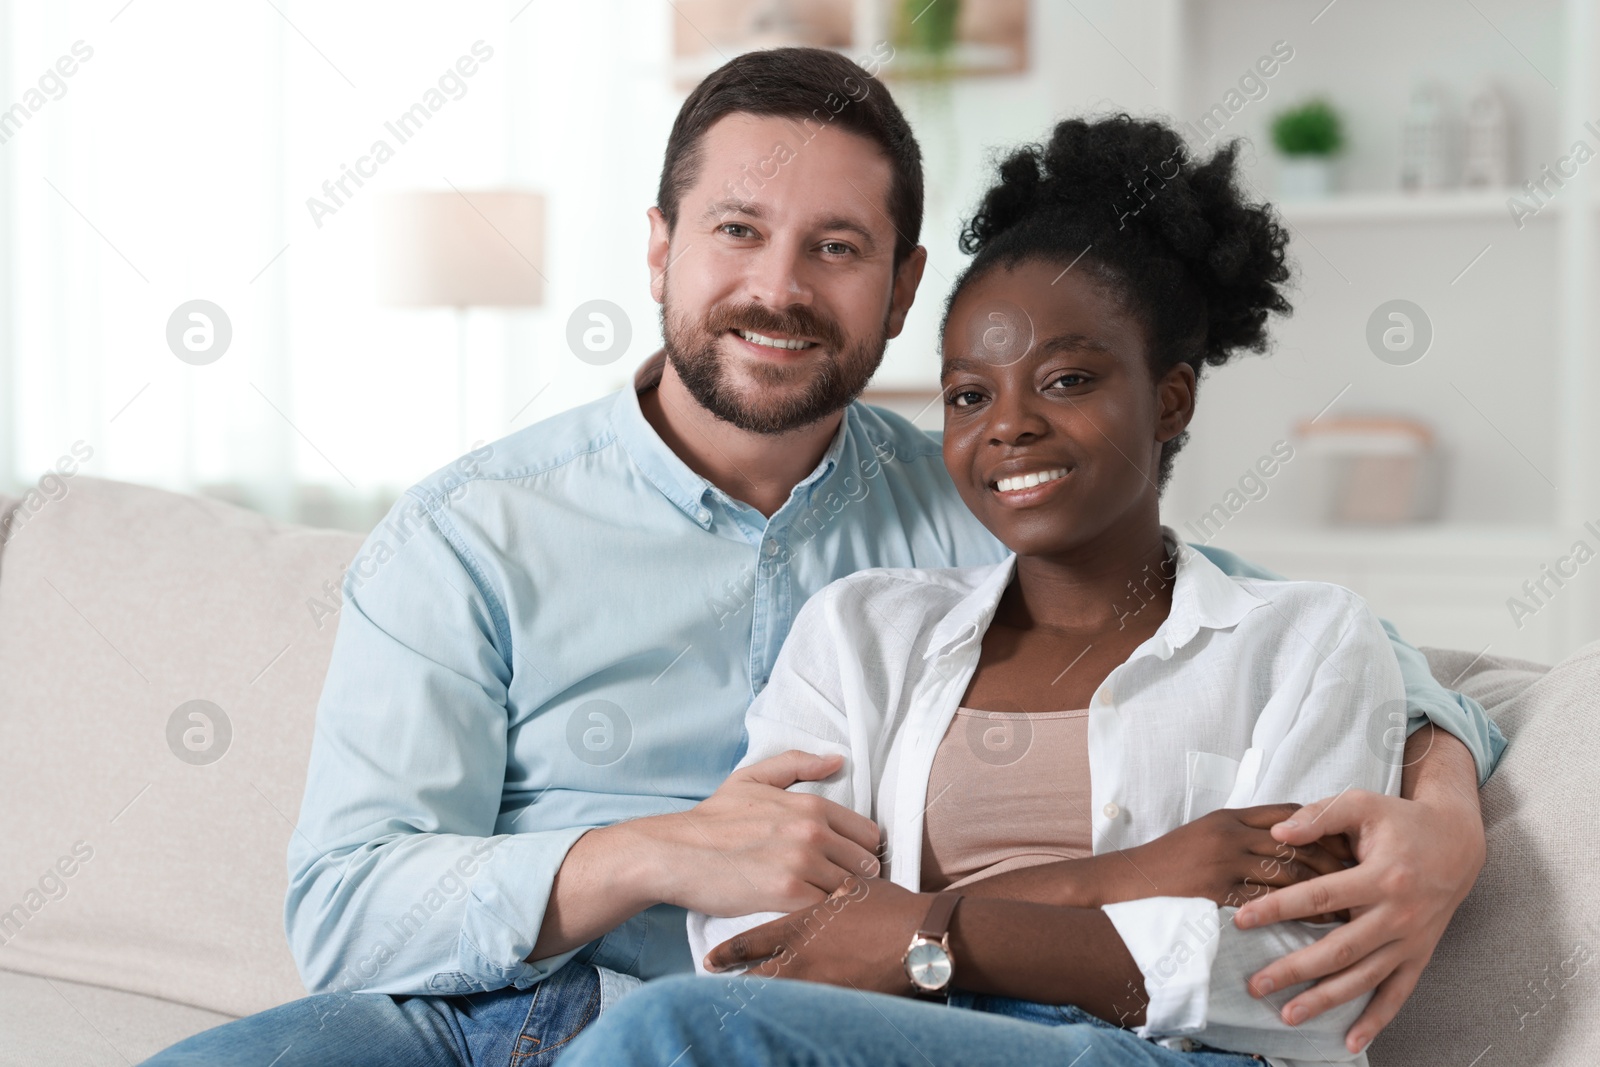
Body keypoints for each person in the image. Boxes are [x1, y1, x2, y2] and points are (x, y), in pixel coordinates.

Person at [142, 49, 1502, 1067]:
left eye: (835, 248)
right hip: (491, 1009)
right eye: (737, 231)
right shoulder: (471, 532)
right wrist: (647, 852)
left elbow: (1281, 629)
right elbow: (345, 907)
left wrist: (1440, 816)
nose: (778, 287)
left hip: (793, 1021)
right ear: (663, 249)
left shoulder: (977, 495)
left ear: (901, 288)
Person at [559, 113, 1432, 1067]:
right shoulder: (862, 631)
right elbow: (763, 944)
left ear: (1169, 398)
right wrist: (1130, 880)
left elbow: (1289, 976)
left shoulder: (1306, 639)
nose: (1008, 426)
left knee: (662, 1031)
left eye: (1064, 380)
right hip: (893, 1044)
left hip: (1158, 1056)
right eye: (970, 394)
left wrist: (918, 933)